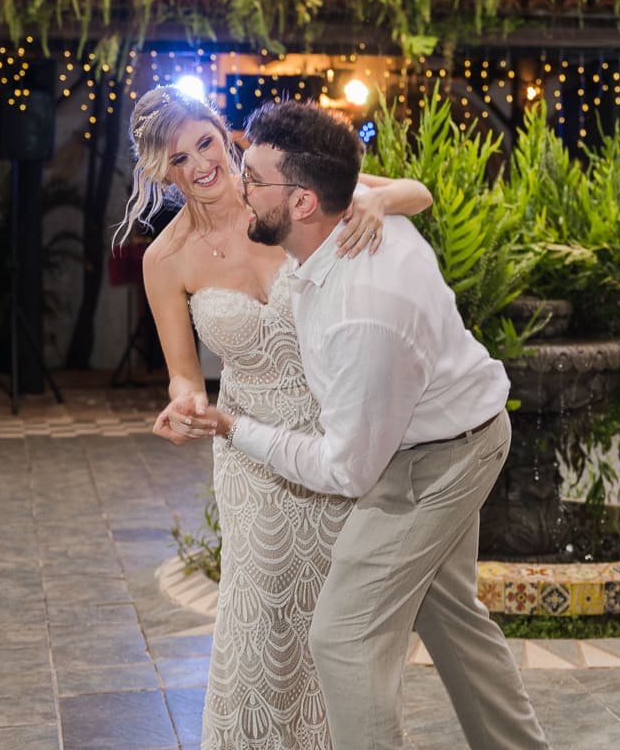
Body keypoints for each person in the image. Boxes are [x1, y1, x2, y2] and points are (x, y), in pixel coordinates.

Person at [159, 101, 550, 750]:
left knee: (341, 636)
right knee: (451, 619)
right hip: (409, 435)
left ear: (305, 203)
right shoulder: (341, 213)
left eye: (251, 179)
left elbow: (347, 469)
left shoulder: (362, 311)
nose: (236, 185)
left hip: (435, 458)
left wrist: (234, 427)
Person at [119, 86, 433, 749]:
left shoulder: (289, 191)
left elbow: (418, 191)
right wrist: (183, 401)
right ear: (163, 172)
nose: (200, 164)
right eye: (178, 159)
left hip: (337, 437)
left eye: (204, 142)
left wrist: (371, 199)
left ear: (225, 134)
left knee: (341, 623)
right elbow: (182, 368)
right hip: (252, 451)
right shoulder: (164, 260)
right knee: (259, 622)